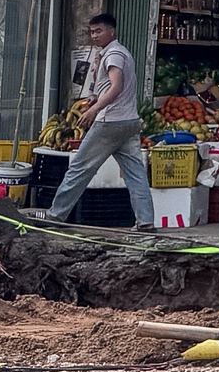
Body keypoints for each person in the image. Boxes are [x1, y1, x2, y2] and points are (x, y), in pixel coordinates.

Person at [33, 12, 154, 228]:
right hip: (129, 122)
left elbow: (116, 87)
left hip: (110, 122)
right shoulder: (116, 53)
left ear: (111, 31)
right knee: (135, 173)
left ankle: (55, 216)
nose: (94, 36)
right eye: (91, 32)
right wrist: (94, 96)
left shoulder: (114, 54)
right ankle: (146, 221)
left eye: (98, 31)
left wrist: (95, 109)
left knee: (79, 168)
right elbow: (112, 87)